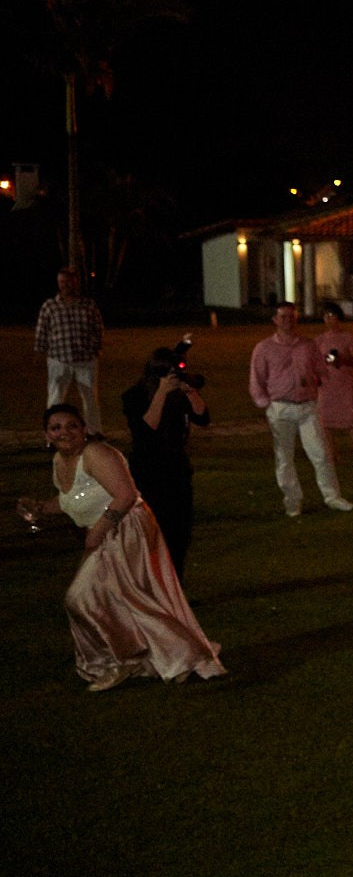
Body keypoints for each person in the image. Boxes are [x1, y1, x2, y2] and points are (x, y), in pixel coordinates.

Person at [18, 404, 225, 691]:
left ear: (84, 429)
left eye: (72, 426)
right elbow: (72, 501)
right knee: (122, 599)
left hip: (127, 528)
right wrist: (40, 507)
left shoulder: (96, 454)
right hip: (105, 532)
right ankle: (169, 656)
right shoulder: (59, 461)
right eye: (56, 428)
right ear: (47, 435)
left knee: (84, 598)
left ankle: (124, 660)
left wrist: (97, 534)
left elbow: (125, 495)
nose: (64, 432)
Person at [248, 302, 353, 517]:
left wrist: (316, 380)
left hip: (307, 406)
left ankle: (332, 497)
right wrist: (264, 402)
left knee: (321, 454)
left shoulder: (308, 345)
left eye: (292, 316)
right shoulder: (264, 348)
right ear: (275, 320)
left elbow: (321, 371)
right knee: (284, 458)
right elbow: (256, 378)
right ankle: (292, 500)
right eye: (283, 316)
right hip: (280, 407)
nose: (288, 320)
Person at [120, 342, 211, 577]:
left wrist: (190, 391)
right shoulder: (134, 396)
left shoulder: (179, 396)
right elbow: (147, 429)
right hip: (148, 473)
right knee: (150, 534)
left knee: (179, 534)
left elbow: (203, 417)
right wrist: (161, 392)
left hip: (177, 471)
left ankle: (175, 587)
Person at [35, 267, 104, 436]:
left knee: (89, 398)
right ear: (58, 284)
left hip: (85, 359)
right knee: (55, 399)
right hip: (59, 359)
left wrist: (97, 347)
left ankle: (94, 432)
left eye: (69, 282)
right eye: (62, 282)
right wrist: (39, 351)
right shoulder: (50, 306)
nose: (65, 285)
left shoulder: (88, 304)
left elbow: (98, 327)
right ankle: (53, 435)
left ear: (76, 283)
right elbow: (42, 330)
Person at [316, 302, 353, 470]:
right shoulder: (319, 340)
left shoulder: (349, 338)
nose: (328, 319)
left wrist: (342, 359)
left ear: (338, 317)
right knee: (325, 421)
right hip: (326, 383)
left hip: (344, 382)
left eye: (331, 315)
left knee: (351, 420)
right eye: (325, 316)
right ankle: (332, 455)